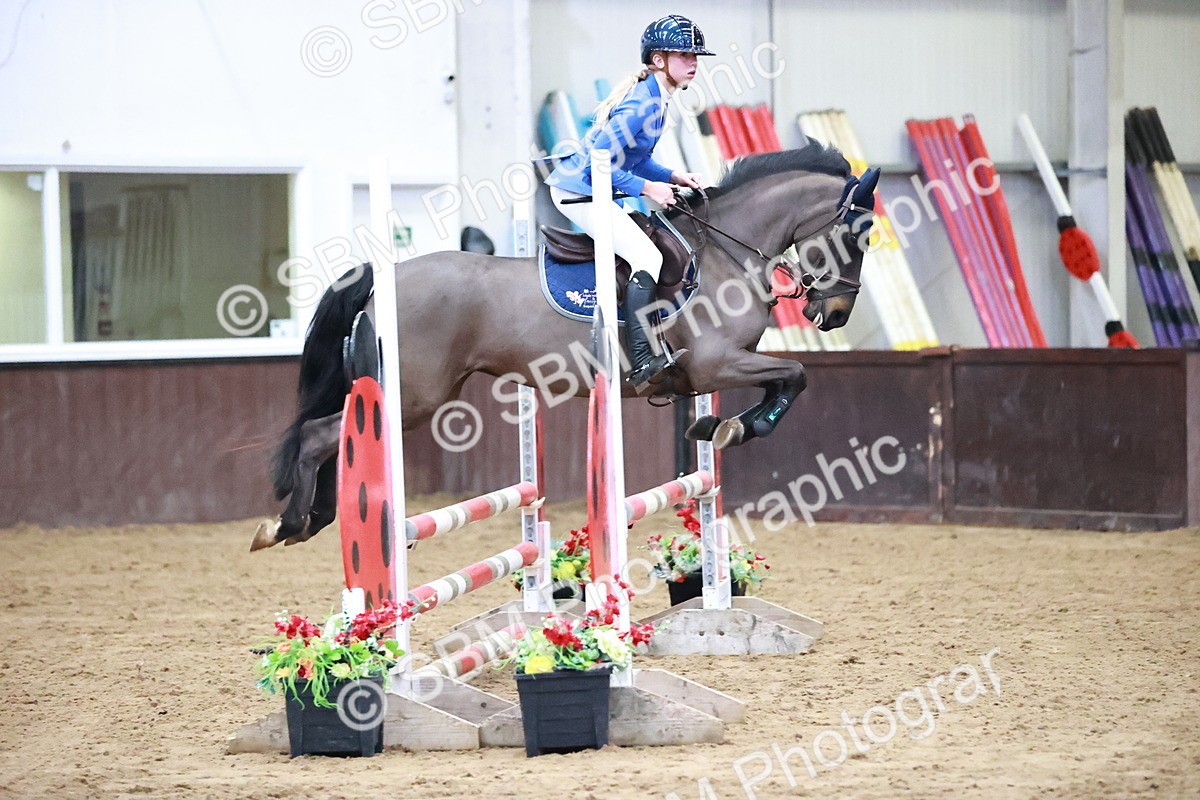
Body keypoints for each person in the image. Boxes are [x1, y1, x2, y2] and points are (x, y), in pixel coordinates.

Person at [546, 14, 714, 390]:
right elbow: (596, 164)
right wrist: (646, 189)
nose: (694, 63)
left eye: (695, 57)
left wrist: (672, 176)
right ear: (658, 60)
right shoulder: (642, 103)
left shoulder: (657, 98)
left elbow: (636, 159)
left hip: (595, 186)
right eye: (685, 55)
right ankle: (641, 358)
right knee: (648, 257)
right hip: (579, 191)